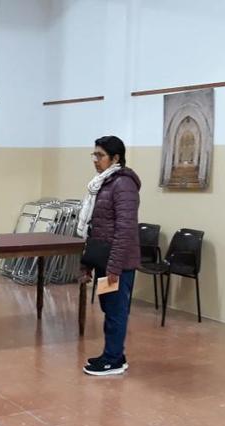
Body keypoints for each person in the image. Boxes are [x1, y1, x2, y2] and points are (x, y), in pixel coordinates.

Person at [78, 135, 141, 376]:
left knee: (116, 310)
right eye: (94, 154)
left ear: (115, 158)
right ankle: (114, 354)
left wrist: (114, 268)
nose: (95, 160)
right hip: (106, 260)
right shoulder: (103, 183)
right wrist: (89, 263)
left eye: (100, 155)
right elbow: (98, 226)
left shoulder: (123, 184)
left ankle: (113, 359)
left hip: (119, 263)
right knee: (108, 306)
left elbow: (125, 229)